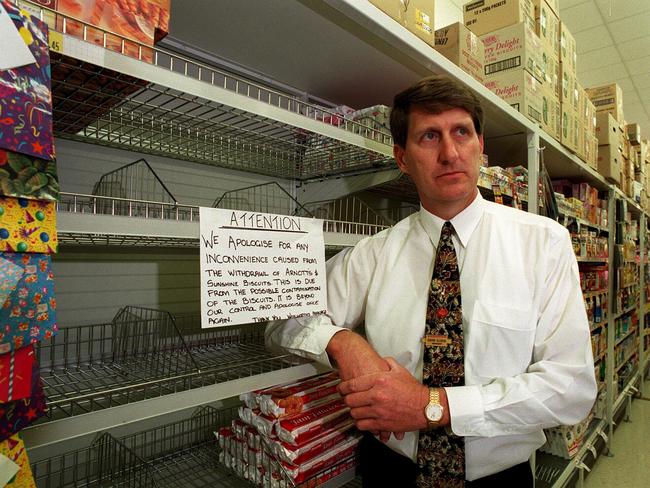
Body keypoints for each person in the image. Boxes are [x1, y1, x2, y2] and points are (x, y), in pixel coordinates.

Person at [265, 75, 597, 487]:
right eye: (429, 137)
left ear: (481, 147)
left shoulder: (543, 243)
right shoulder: (373, 253)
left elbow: (571, 387)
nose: (450, 152)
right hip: (390, 472)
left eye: (462, 132)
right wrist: (342, 343)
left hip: (498, 479)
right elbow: (282, 319)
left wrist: (431, 405)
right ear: (402, 158)